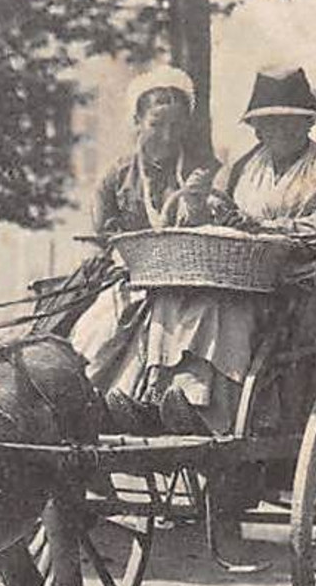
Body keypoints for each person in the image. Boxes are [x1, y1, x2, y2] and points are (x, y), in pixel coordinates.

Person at [94, 65, 316, 436]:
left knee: (222, 307)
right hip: (241, 273)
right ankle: (157, 399)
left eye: (291, 122)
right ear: (257, 128)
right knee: (171, 296)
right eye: (270, 123)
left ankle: (209, 411)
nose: (279, 131)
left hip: (302, 285)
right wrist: (209, 209)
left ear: (309, 124)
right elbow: (221, 213)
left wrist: (258, 229)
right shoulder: (242, 169)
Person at [68, 67, 216, 430]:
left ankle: (164, 403)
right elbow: (103, 233)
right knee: (100, 329)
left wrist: (196, 206)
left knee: (181, 320)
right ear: (138, 121)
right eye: (156, 124)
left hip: (189, 279)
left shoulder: (201, 172)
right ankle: (92, 403)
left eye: (177, 126)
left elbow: (213, 230)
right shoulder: (116, 177)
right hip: (130, 276)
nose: (167, 136)